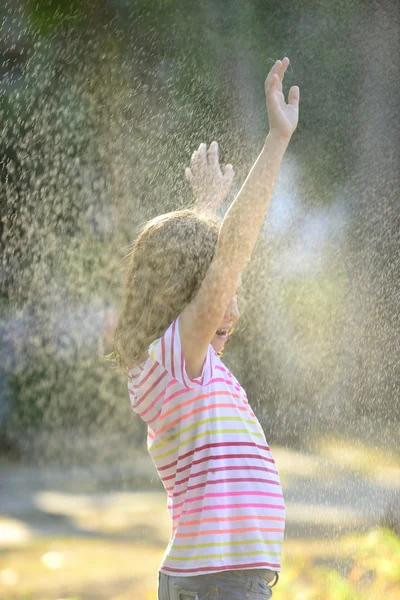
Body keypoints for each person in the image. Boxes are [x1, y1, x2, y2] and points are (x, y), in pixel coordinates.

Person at [113, 57, 299, 600]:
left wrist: (204, 210)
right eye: (222, 297)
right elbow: (224, 260)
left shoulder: (181, 366)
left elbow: (203, 268)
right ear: (182, 298)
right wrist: (276, 141)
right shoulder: (175, 363)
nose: (232, 310)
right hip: (217, 586)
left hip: (225, 582)